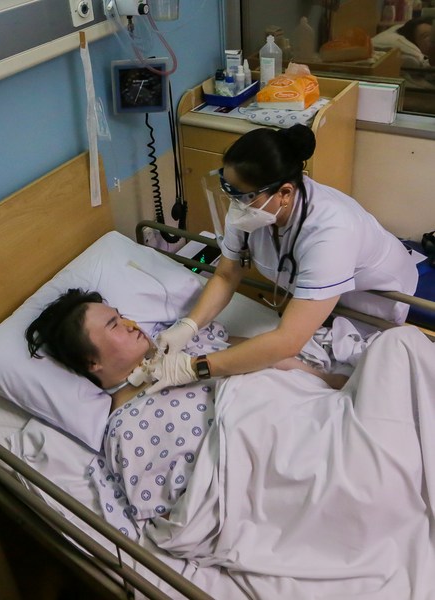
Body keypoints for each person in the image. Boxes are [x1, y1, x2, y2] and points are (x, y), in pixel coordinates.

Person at [24, 288, 345, 519]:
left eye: (122, 316)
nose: (130, 323)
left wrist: (331, 383)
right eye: (114, 325)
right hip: (272, 469)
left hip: (316, 416)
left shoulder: (187, 344)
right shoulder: (124, 429)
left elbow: (268, 354)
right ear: (92, 362)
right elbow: (179, 507)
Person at [146, 124, 418, 393]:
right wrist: (188, 326)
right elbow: (227, 275)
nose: (234, 205)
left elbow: (288, 340)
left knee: (358, 371)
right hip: (326, 296)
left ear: (285, 193)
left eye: (242, 196)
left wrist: (194, 368)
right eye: (229, 191)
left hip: (372, 299)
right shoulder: (250, 207)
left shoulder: (332, 230)